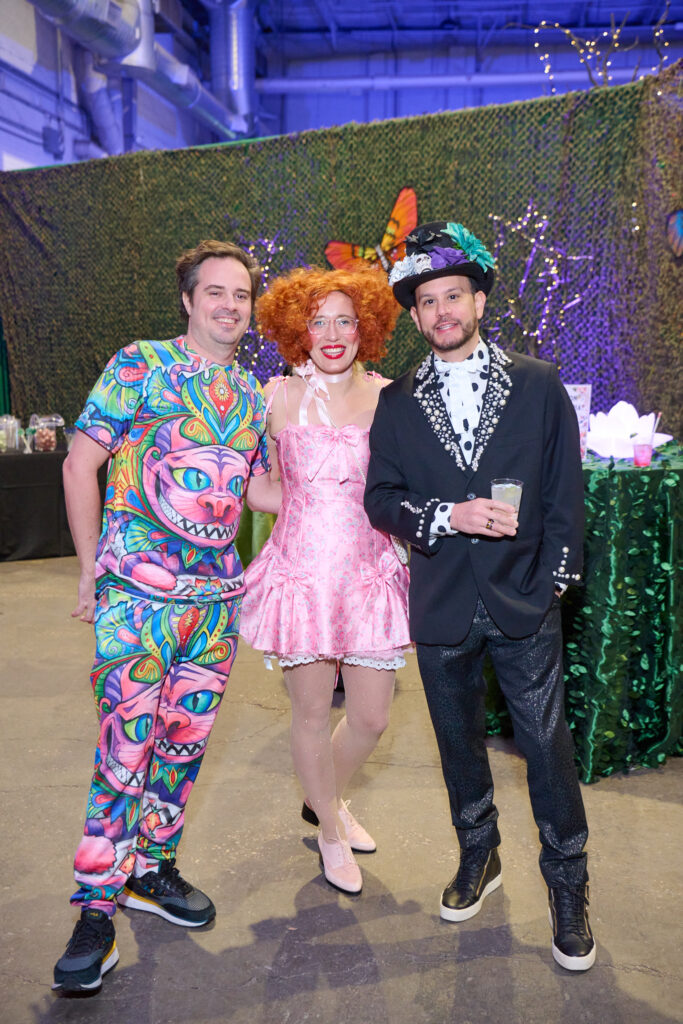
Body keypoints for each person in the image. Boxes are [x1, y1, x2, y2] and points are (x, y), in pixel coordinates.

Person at [364, 221, 595, 971]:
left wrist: (555, 580)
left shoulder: (536, 382)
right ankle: (479, 857)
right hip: (439, 605)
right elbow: (380, 499)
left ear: (480, 298)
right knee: (457, 748)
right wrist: (444, 516)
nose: (440, 312)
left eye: (452, 296)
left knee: (546, 749)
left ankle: (567, 886)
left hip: (523, 600)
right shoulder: (396, 402)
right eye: (426, 302)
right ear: (415, 314)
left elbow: (564, 490)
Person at [53, 239, 280, 994]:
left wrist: (352, 473)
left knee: (181, 748)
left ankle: (153, 870)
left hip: (216, 605)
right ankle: (95, 909)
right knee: (124, 752)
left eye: (240, 296)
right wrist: (91, 567)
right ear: (187, 301)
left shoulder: (253, 393)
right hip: (137, 600)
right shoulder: (138, 365)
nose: (229, 306)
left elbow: (254, 495)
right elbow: (79, 461)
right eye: (214, 293)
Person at [240, 266, 410, 895]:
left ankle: (325, 799)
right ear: (296, 330)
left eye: (345, 319)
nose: (332, 333)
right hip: (303, 574)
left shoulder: (393, 397)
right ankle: (330, 833)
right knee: (311, 713)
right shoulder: (273, 398)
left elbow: (404, 487)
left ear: (365, 326)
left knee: (370, 719)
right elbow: (254, 487)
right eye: (317, 321)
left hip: (369, 573)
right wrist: (305, 500)